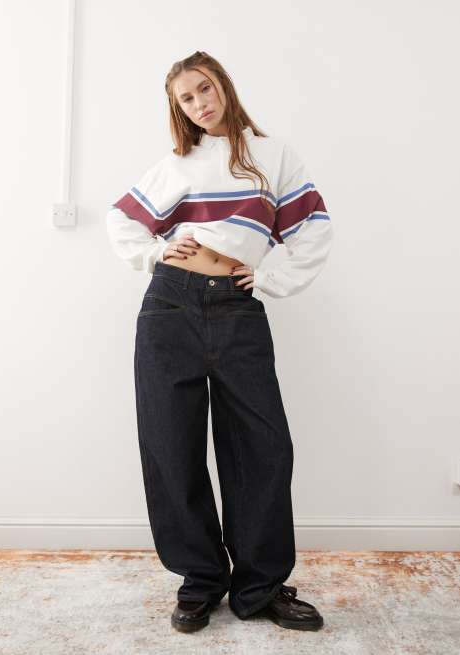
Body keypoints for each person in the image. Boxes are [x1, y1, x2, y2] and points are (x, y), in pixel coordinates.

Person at [106, 51, 333, 633]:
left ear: (224, 86)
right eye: (186, 98)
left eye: (204, 89)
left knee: (264, 446)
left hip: (236, 309)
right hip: (170, 306)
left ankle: (260, 587)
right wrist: (156, 251)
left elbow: (313, 227)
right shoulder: (178, 163)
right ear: (177, 109)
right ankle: (200, 581)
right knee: (171, 444)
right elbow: (122, 220)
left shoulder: (274, 155)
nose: (198, 103)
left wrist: (273, 278)